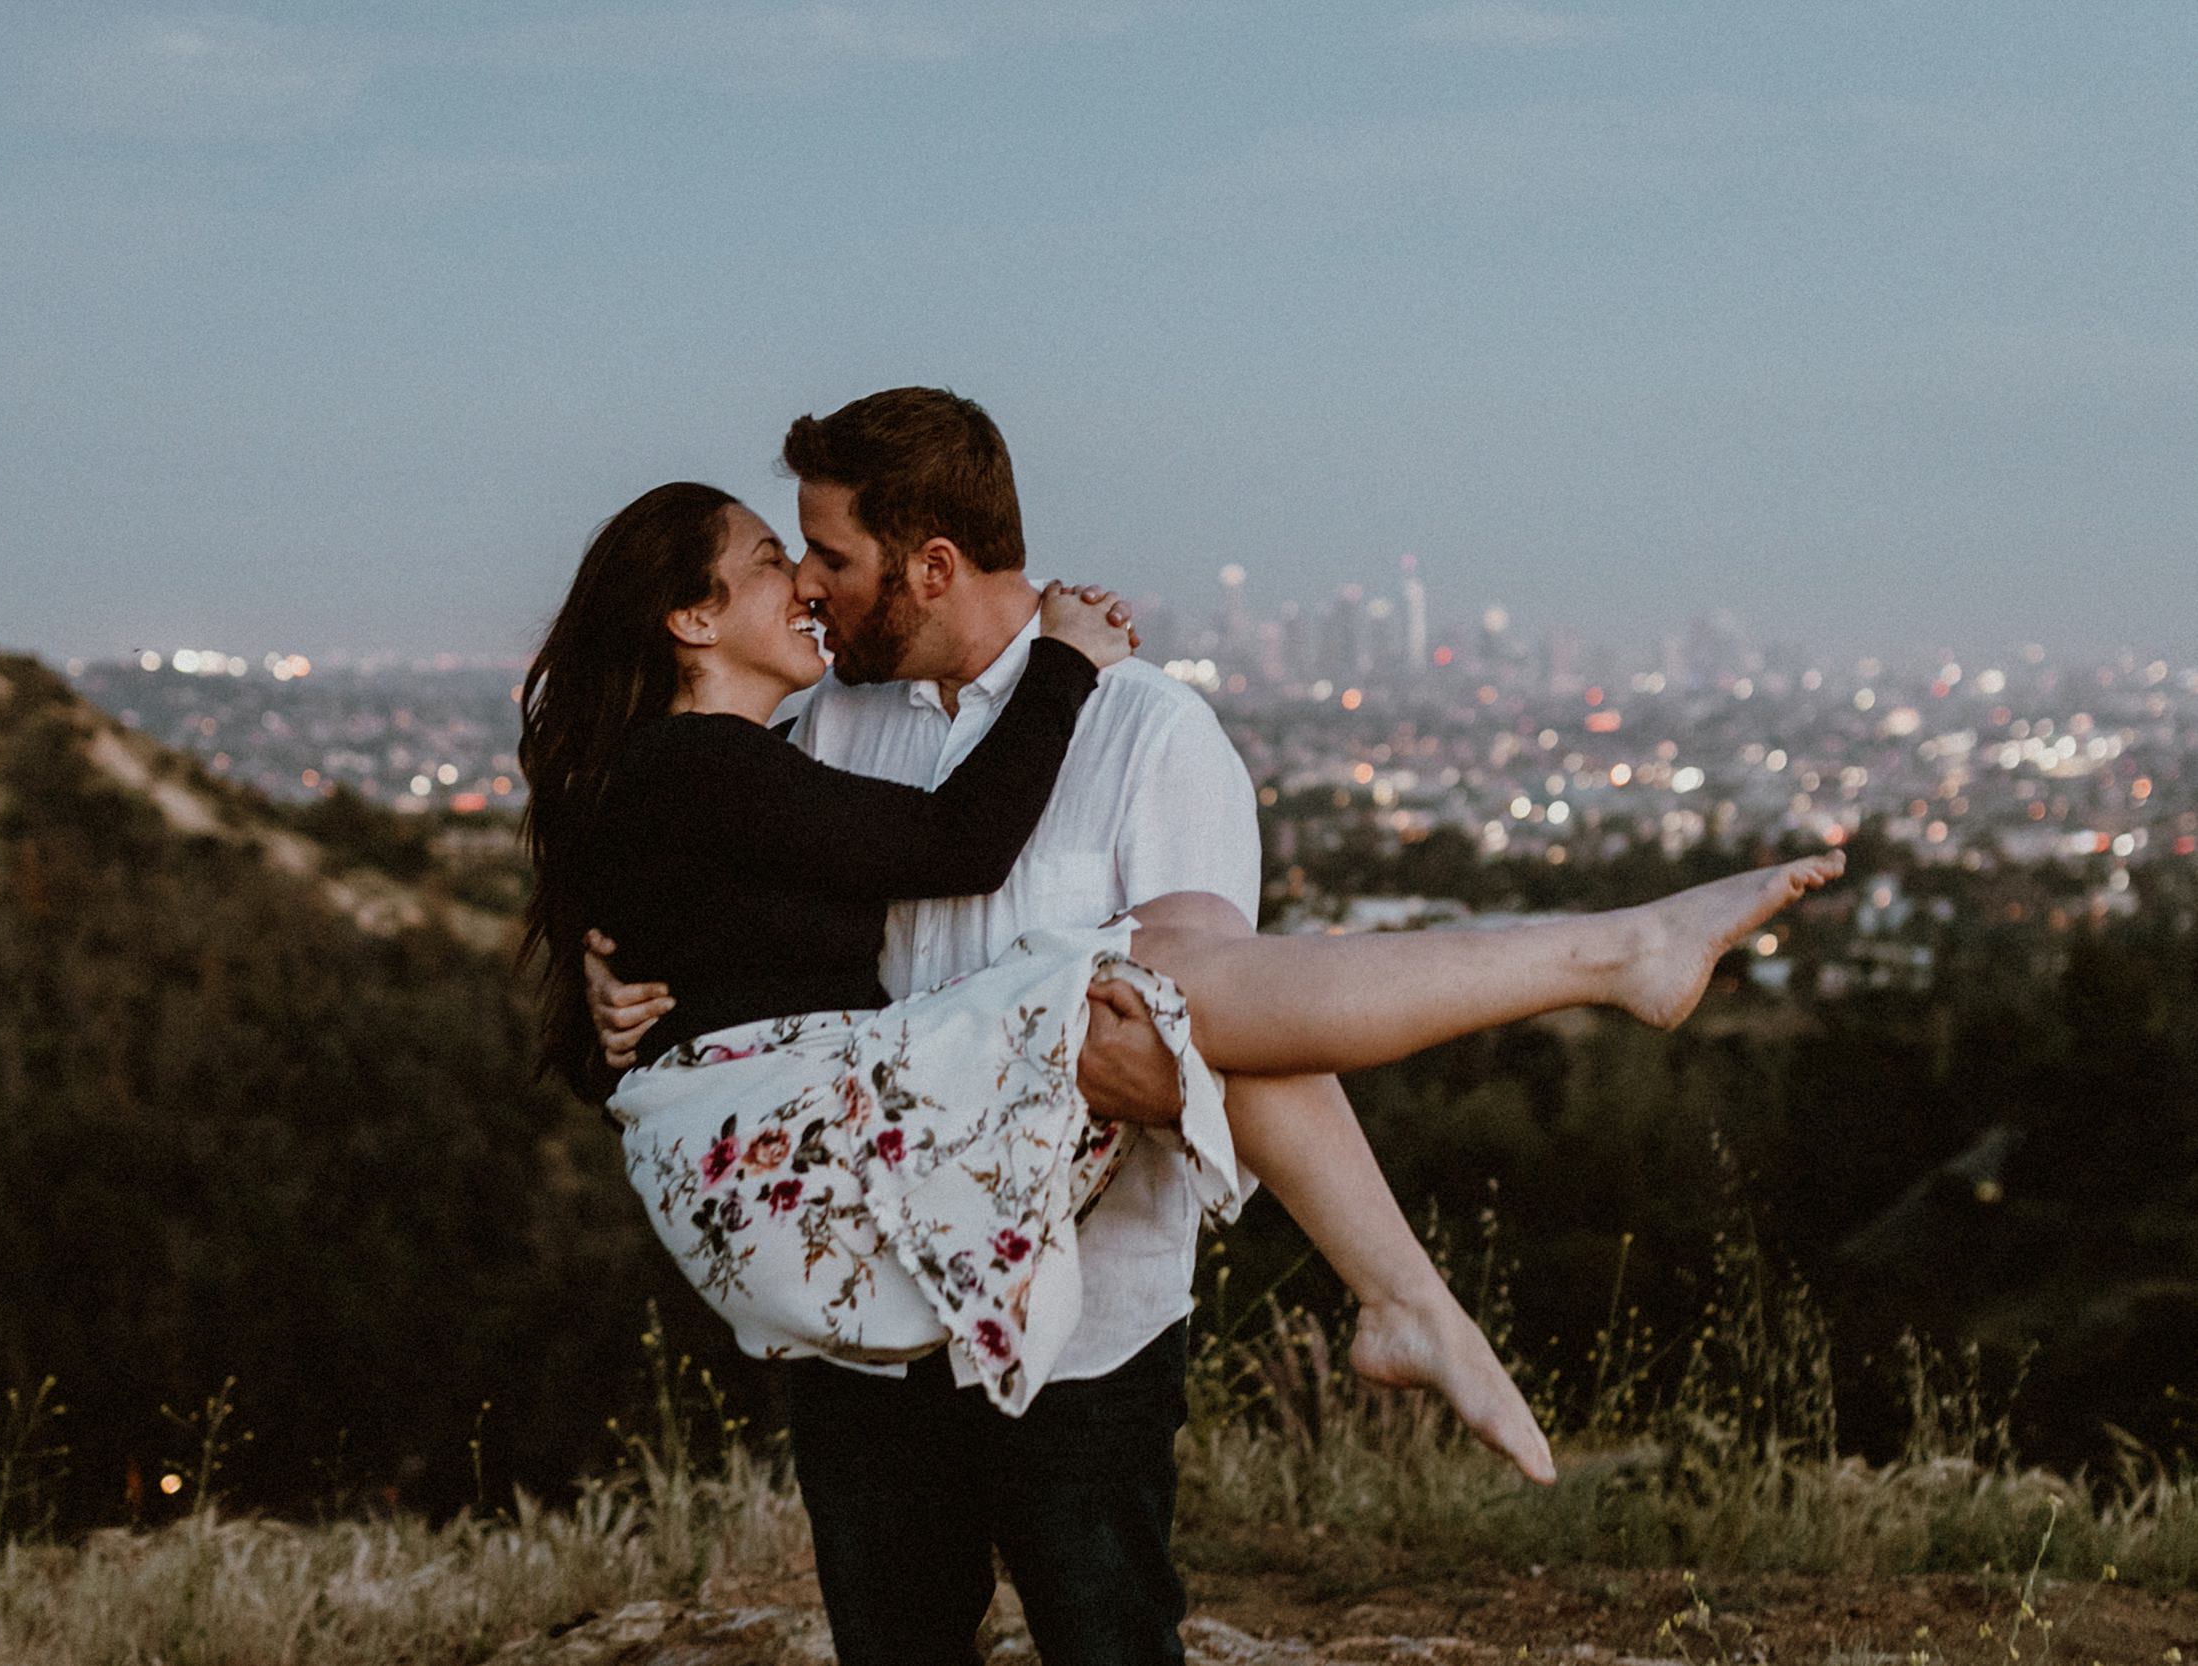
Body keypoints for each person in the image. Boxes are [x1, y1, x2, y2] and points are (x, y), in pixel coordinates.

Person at [553, 389, 1841, 1666]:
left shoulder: (1145, 730)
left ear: (928, 565)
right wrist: (613, 992)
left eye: (827, 555)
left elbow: (1212, 1020)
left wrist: (1160, 1078)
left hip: (1087, 1312)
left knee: (1172, 990)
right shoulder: (820, 725)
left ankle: (1550, 1063)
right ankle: (1567, 1023)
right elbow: (712, 901)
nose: (814, 586)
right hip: (872, 1306)